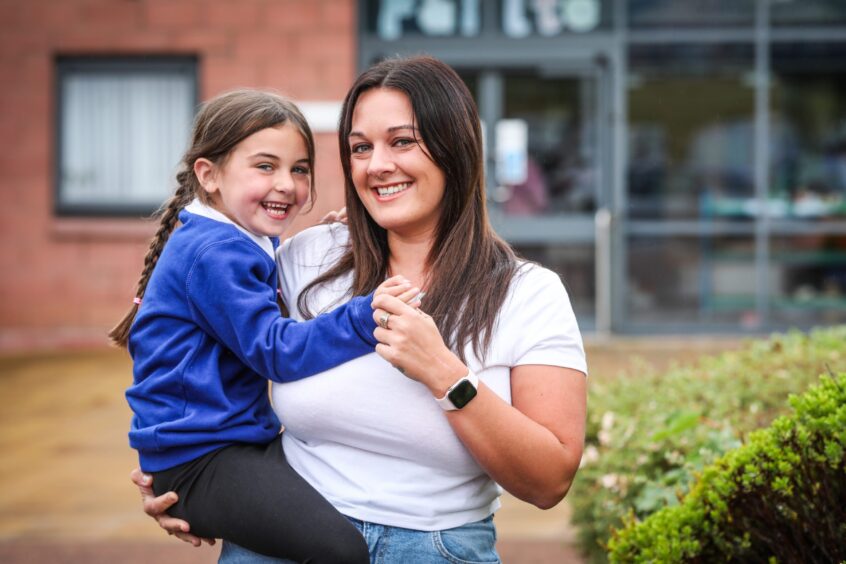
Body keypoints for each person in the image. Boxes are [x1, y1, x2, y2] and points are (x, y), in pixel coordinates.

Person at [135, 57, 588, 563]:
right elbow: (187, 343)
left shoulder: (527, 294)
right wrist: (177, 465)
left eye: (401, 141)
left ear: (455, 148)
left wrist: (444, 374)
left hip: (436, 548)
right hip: (285, 541)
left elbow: (550, 481)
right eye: (360, 148)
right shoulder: (304, 258)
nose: (377, 165)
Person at [114, 89, 423, 563]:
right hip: (202, 461)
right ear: (209, 174)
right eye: (265, 166)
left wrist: (341, 227)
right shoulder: (216, 253)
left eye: (299, 169)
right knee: (341, 551)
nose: (286, 184)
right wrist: (364, 314)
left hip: (222, 448)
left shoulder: (228, 237)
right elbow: (275, 351)